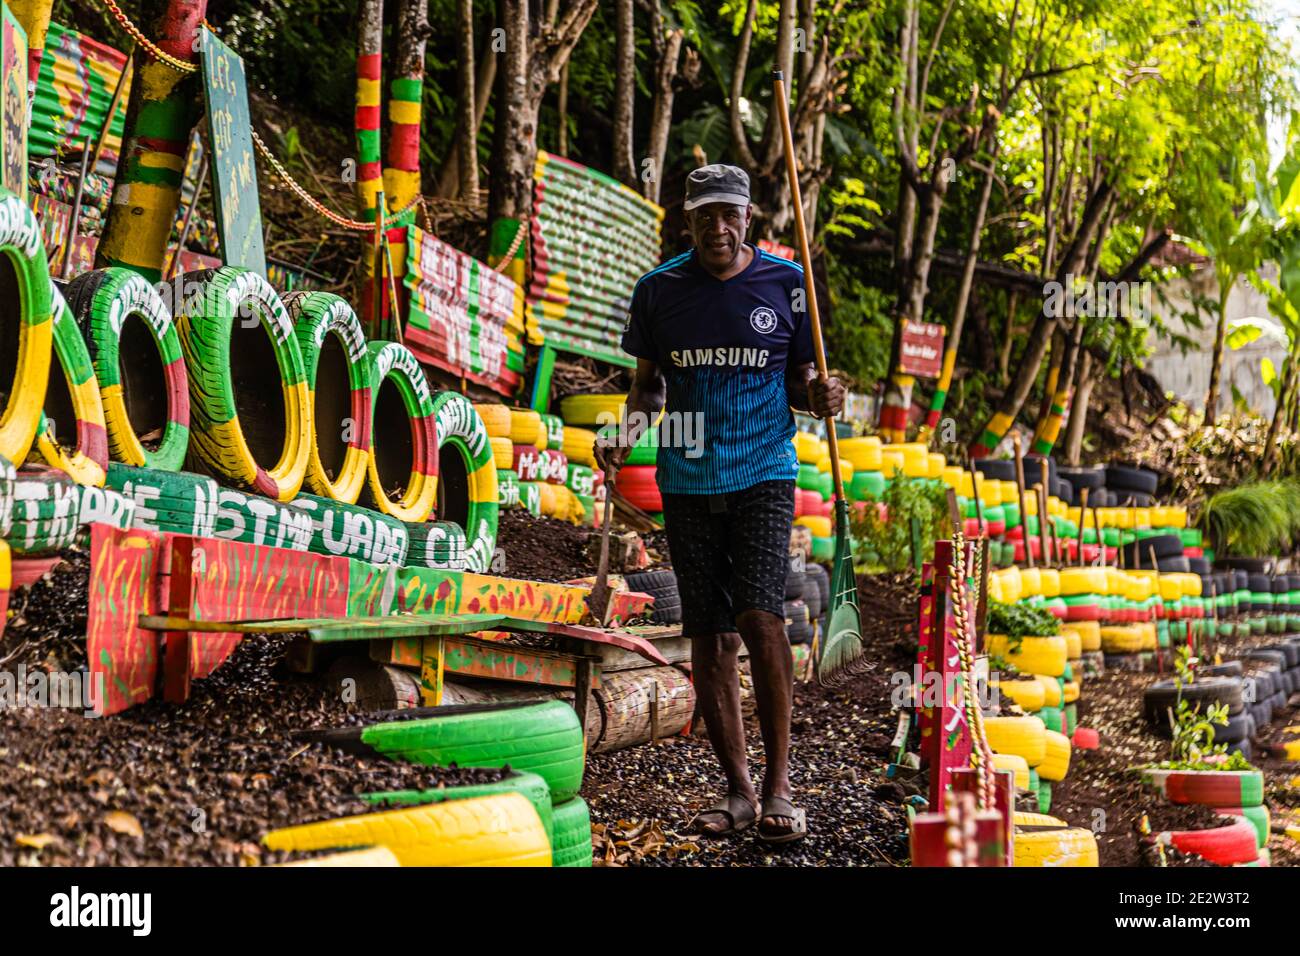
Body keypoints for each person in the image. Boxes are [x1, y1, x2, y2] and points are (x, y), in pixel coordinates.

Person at [595, 164, 845, 843]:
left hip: (765, 468)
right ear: (688, 220)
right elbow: (648, 393)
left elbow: (802, 382)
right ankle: (736, 791)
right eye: (705, 214)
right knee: (708, 635)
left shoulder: (787, 286)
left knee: (762, 618)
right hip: (687, 477)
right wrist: (622, 433)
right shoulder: (659, 292)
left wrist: (824, 396)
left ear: (748, 217)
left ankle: (779, 788)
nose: (718, 226)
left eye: (729, 213)